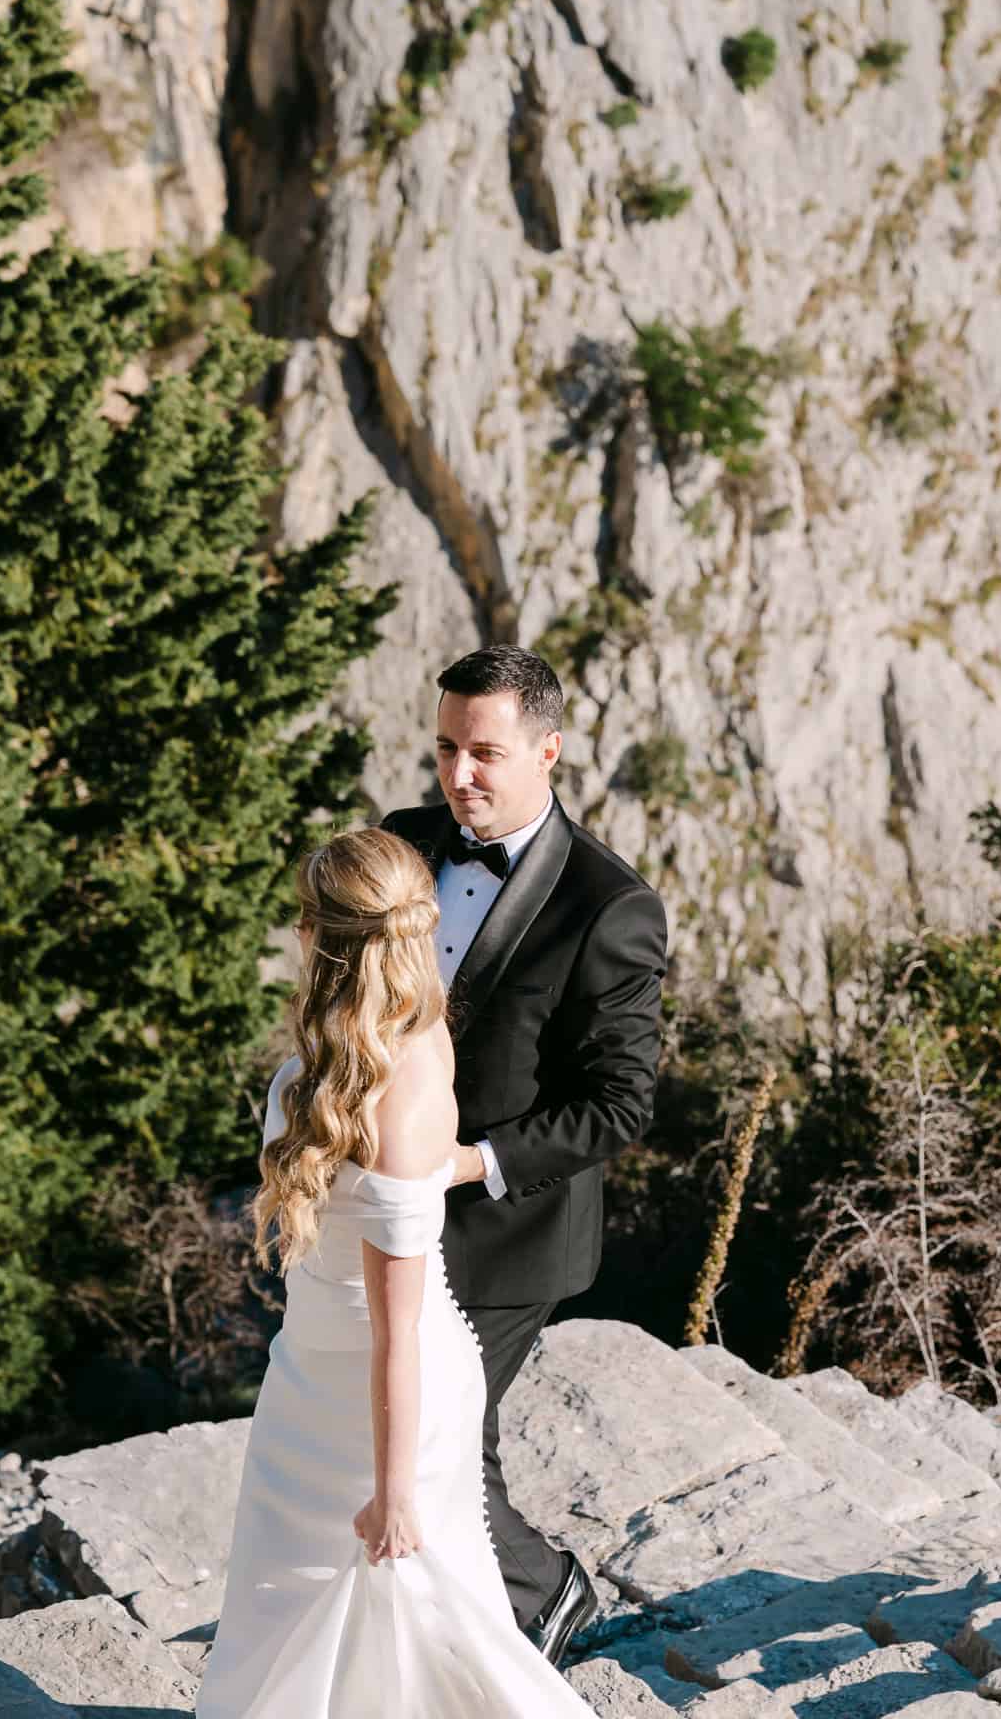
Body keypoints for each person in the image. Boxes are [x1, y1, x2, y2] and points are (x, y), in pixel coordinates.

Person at [197, 828, 595, 1718]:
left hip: (385, 1395)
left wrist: (393, 1491)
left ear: (316, 937)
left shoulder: (408, 1085)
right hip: (306, 1375)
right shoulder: (341, 1055)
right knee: (280, 1598)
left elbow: (398, 1325)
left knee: (416, 1607)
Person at [381, 644, 667, 1664]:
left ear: (549, 750)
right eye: (448, 747)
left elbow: (619, 1103)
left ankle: (545, 1596)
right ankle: (438, 1615)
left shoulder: (608, 905)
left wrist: (470, 1161)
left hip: (506, 1226)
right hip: (382, 1207)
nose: (460, 773)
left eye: (486, 752)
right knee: (394, 1426)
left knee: (438, 1443)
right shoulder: (402, 846)